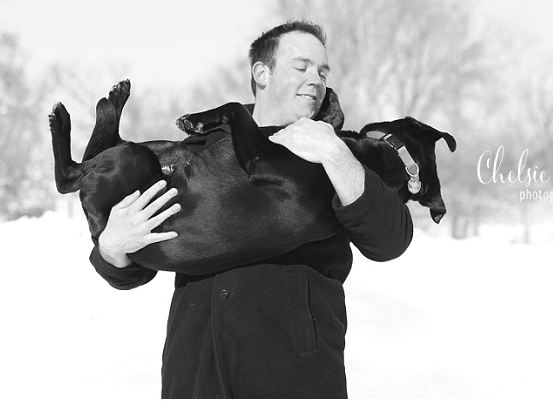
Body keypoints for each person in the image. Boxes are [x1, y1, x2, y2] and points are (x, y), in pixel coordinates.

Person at [89, 21, 413, 398]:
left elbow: (390, 240)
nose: (317, 79)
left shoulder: (337, 151)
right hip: (195, 375)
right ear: (262, 73)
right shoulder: (199, 150)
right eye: (302, 66)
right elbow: (141, 265)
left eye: (323, 71)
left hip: (293, 375)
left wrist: (334, 153)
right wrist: (111, 248)